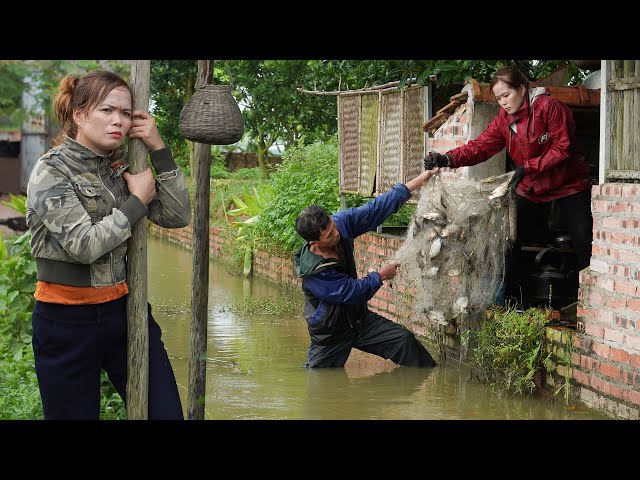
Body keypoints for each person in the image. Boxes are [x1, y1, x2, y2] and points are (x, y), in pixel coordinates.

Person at [26, 70, 191, 420]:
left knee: (166, 414)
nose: (118, 120)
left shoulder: (123, 167)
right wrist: (135, 202)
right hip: (66, 322)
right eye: (107, 110)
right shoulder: (51, 171)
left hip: (126, 313)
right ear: (79, 114)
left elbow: (177, 216)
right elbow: (84, 245)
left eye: (126, 113)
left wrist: (158, 150)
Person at [424, 65, 593, 292]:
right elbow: (480, 147)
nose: (503, 102)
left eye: (507, 95)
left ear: (522, 89)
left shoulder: (549, 107)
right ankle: (515, 300)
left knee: (584, 242)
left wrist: (528, 168)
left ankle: (586, 301)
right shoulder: (504, 119)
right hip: (533, 186)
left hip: (569, 184)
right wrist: (446, 159)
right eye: (498, 98)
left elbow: (562, 148)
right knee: (510, 239)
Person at [293, 168, 439, 369]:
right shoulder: (315, 273)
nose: (336, 234)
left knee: (404, 341)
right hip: (331, 333)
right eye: (329, 235)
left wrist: (416, 183)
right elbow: (351, 292)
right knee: (320, 381)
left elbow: (374, 210)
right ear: (314, 242)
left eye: (333, 227)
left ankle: (431, 379)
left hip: (360, 321)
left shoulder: (340, 224)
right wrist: (380, 276)